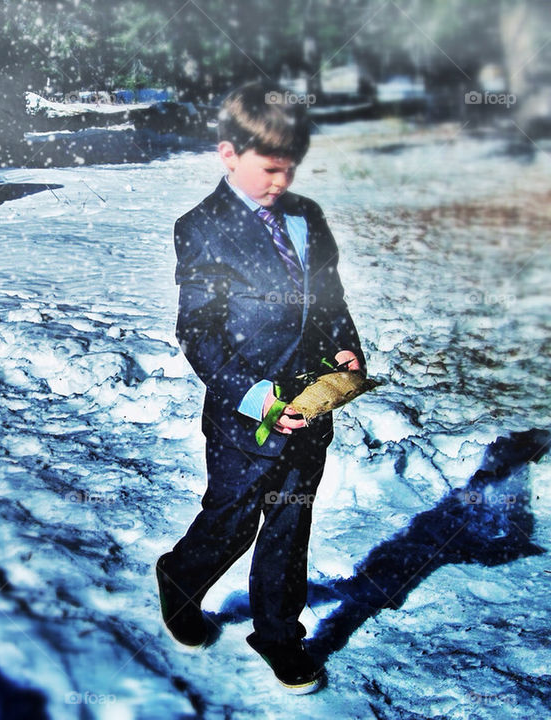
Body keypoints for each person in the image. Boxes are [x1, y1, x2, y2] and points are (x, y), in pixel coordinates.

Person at [156, 81, 366, 695]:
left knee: (289, 523)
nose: (282, 181)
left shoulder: (307, 217)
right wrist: (259, 401)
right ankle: (181, 578)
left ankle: (279, 635)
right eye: (269, 168)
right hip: (242, 413)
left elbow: (330, 301)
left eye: (291, 167)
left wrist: (342, 348)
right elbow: (198, 332)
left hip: (310, 405)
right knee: (233, 518)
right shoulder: (201, 228)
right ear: (228, 155)